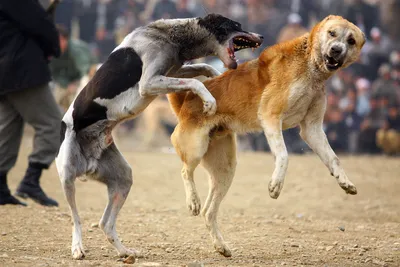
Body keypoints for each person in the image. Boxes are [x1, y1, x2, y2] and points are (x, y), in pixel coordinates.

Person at [0, 0, 61, 206]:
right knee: (53, 122)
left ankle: (0, 187)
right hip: (21, 68)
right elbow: (38, 21)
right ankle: (31, 180)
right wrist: (54, 46)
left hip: (6, 69)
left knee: (9, 126)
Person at [50, 25, 95, 112]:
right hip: (68, 81)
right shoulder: (53, 51)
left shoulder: (76, 49)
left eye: (59, 40)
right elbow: (55, 73)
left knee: (78, 100)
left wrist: (77, 84)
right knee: (57, 98)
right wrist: (66, 84)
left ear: (65, 39)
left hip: (86, 78)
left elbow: (85, 71)